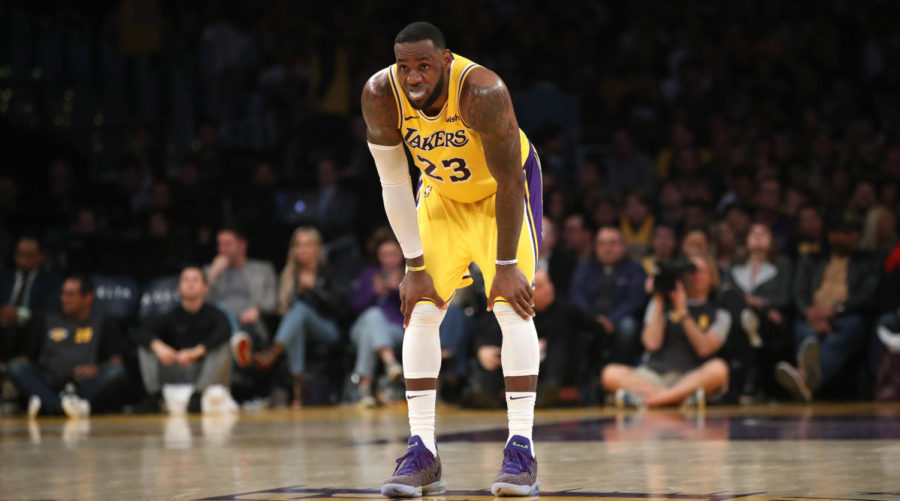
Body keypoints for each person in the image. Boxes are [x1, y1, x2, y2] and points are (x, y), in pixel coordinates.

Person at [362, 22, 542, 496]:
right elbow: (395, 183)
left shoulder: (482, 90)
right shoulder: (381, 93)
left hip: (499, 197)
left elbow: (509, 182)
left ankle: (521, 449)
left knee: (512, 305)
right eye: (405, 66)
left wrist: (505, 268)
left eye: (424, 65)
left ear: (445, 60)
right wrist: (414, 266)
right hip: (440, 198)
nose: (413, 76)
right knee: (419, 311)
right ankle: (422, 450)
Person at [601, 255, 730, 408]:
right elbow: (651, 344)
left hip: (690, 375)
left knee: (719, 369)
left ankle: (649, 400)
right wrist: (659, 299)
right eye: (689, 271)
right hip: (653, 375)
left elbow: (704, 349)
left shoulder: (721, 314)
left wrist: (683, 312)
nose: (694, 275)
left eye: (699, 271)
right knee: (610, 373)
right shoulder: (660, 304)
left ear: (712, 277)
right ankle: (679, 399)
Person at [777, 211, 880, 402]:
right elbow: (799, 293)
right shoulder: (812, 260)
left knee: (843, 333)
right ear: (831, 235)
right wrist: (809, 313)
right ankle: (808, 384)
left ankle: (804, 383)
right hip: (812, 315)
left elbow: (867, 296)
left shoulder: (868, 261)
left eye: (855, 232)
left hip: (846, 315)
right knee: (807, 336)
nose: (852, 237)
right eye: (845, 232)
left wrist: (834, 311)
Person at [465, 270, 605, 409]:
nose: (549, 289)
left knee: (561, 341)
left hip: (555, 371)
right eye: (541, 286)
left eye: (548, 283)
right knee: (491, 352)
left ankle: (550, 388)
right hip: (522, 370)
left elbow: (597, 330)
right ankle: (484, 393)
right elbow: (482, 332)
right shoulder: (511, 312)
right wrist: (482, 349)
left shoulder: (566, 310)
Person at [7, 274, 126, 419]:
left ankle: (51, 405)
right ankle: (63, 406)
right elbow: (29, 359)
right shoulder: (46, 320)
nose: (64, 299)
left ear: (87, 298)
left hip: (83, 383)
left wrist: (98, 368)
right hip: (51, 380)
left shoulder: (103, 323)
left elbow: (116, 360)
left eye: (70, 295)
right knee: (16, 367)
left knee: (116, 371)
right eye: (63, 294)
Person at [252, 227, 342, 407]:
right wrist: (297, 291)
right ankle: (298, 396)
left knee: (300, 310)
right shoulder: (289, 275)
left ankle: (273, 352)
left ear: (317, 247)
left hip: (327, 329)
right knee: (297, 324)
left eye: (308, 245)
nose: (303, 250)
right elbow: (283, 311)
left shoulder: (327, 271)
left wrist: (313, 289)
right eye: (299, 245)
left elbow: (339, 308)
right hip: (298, 329)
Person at [136, 266, 232, 413]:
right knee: (146, 345)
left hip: (205, 371)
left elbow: (225, 330)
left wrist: (197, 351)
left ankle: (198, 394)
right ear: (179, 288)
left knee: (224, 347)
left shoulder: (215, 314)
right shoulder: (171, 315)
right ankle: (153, 395)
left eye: (195, 280)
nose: (190, 284)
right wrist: (158, 346)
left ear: (205, 287)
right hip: (179, 367)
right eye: (186, 280)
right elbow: (141, 331)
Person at [727, 223, 793, 399]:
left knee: (758, 321)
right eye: (753, 233)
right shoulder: (735, 268)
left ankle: (750, 382)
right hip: (740, 317)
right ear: (746, 240)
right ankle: (750, 325)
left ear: (772, 241)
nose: (757, 237)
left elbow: (786, 298)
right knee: (739, 316)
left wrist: (762, 303)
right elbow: (726, 294)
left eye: (763, 233)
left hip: (768, 319)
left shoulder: (782, 265)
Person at [570, 227, 648, 365]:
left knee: (628, 327)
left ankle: (622, 371)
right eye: (602, 243)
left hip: (620, 320)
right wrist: (593, 320)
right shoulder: (585, 267)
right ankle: (583, 379)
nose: (607, 248)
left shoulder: (635, 269)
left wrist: (612, 320)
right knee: (572, 324)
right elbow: (577, 296)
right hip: (591, 319)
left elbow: (635, 300)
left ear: (623, 246)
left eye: (613, 243)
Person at [205, 226, 277, 360]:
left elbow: (272, 302)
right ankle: (237, 342)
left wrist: (257, 309)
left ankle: (237, 343)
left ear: (243, 245)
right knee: (221, 312)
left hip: (248, 323)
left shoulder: (263, 270)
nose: (222, 249)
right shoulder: (210, 272)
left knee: (225, 342)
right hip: (218, 323)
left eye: (227, 244)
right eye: (220, 244)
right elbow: (201, 303)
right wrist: (213, 274)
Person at [349, 238, 405, 406]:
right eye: (385, 255)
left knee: (370, 333)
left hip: (395, 328)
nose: (389, 259)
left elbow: (417, 308)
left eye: (393, 254)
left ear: (401, 255)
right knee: (373, 315)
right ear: (379, 256)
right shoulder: (369, 274)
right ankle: (390, 363)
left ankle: (364, 389)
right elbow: (354, 306)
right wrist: (374, 293)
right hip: (361, 325)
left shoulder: (409, 275)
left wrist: (398, 292)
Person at [0, 237, 60, 363]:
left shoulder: (51, 282)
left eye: (29, 255)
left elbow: (50, 314)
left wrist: (19, 315)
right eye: (19, 255)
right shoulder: (4, 277)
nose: (23, 260)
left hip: (30, 332)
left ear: (41, 257)